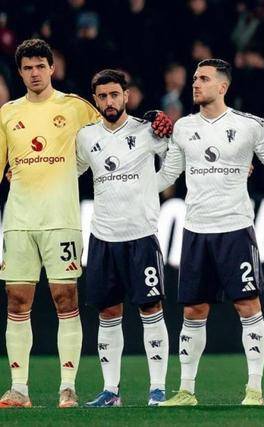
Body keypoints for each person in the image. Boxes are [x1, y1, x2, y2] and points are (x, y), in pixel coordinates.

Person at [0, 39, 171, 409]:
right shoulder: (7, 114)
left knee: (66, 300)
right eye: (27, 68)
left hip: (64, 220)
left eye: (40, 66)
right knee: (17, 301)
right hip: (18, 220)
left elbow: (120, 127)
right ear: (20, 73)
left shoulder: (77, 108)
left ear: (52, 68)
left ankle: (68, 388)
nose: (34, 73)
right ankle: (19, 389)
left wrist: (156, 119)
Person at [156, 59, 264, 406]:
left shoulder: (247, 126)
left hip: (235, 229)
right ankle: (186, 390)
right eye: (194, 78)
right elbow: (167, 175)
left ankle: (254, 389)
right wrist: (128, 185)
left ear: (222, 87)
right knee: (192, 311)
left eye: (203, 78)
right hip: (195, 230)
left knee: (248, 306)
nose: (195, 84)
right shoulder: (183, 127)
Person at [78, 69, 170, 407]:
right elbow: (70, 170)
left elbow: (174, 159)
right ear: (95, 100)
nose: (109, 101)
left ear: (126, 96)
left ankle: (157, 389)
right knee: (107, 312)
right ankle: (111, 391)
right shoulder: (86, 136)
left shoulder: (148, 130)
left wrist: (152, 187)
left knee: (151, 308)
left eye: (114, 94)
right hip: (103, 236)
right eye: (102, 96)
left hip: (140, 234)